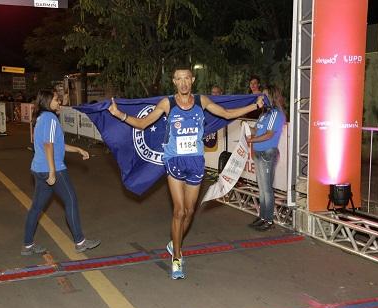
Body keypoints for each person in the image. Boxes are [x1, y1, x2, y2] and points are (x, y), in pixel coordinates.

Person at [108, 68, 260, 279]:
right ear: (174, 82)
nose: (183, 83)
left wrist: (254, 105)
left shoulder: (201, 101)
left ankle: (174, 242)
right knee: (179, 211)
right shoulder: (167, 103)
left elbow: (225, 114)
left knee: (189, 212)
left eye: (187, 78)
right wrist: (119, 114)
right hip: (174, 161)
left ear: (193, 80)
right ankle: (177, 257)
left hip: (196, 162)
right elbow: (143, 123)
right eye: (179, 79)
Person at [22, 89, 100, 256]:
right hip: (54, 169)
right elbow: (48, 145)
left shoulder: (41, 118)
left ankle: (27, 246)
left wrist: (78, 149)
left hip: (38, 169)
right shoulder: (50, 118)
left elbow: (57, 145)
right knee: (71, 201)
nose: (60, 102)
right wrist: (52, 172)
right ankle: (80, 242)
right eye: (57, 100)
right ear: (47, 102)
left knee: (36, 208)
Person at [246, 85, 286, 231]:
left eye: (264, 95)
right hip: (259, 153)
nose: (262, 97)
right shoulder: (264, 114)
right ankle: (263, 216)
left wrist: (252, 141)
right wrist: (247, 129)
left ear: (272, 96)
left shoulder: (276, 113)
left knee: (267, 189)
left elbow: (269, 134)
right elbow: (256, 130)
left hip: (267, 153)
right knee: (262, 188)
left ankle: (268, 220)